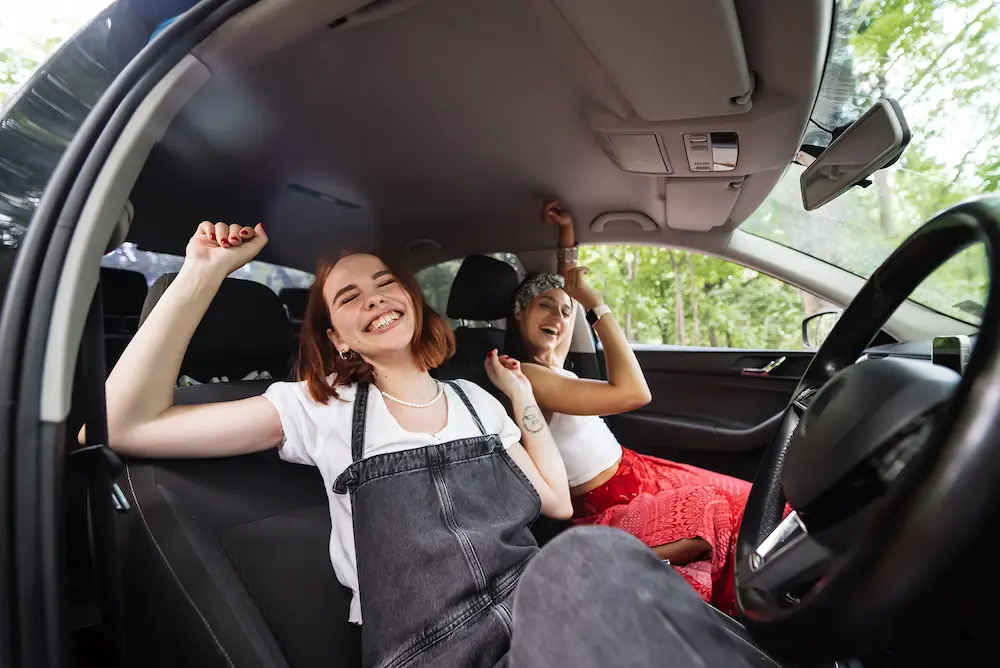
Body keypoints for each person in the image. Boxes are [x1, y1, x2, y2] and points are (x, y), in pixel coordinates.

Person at [91, 220, 760, 667]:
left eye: (385, 282)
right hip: (435, 652)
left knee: (603, 557)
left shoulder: (477, 401)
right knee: (594, 558)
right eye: (348, 296)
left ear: (412, 301)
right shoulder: (318, 408)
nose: (374, 297)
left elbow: (556, 503)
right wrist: (202, 275)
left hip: (538, 622)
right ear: (339, 338)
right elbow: (127, 425)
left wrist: (522, 396)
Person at [504, 201, 757, 615]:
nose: (559, 315)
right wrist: (594, 303)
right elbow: (634, 393)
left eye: (567, 311)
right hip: (609, 506)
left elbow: (566, 282)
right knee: (721, 516)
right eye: (544, 306)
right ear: (520, 314)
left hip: (640, 472)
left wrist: (567, 234)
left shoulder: (556, 373)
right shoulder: (529, 378)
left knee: (753, 505)